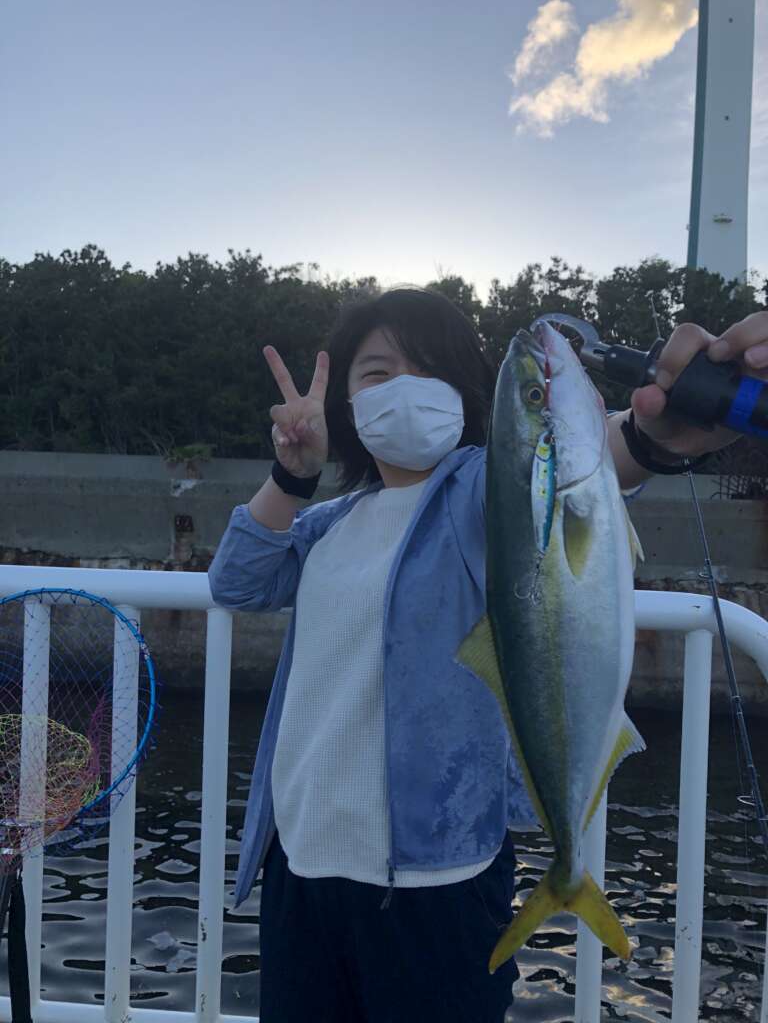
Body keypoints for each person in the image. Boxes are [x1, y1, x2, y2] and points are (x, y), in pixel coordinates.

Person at [208, 290, 768, 1022]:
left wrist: (661, 430)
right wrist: (293, 474)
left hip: (436, 876)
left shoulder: (484, 488)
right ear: (344, 402)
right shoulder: (326, 523)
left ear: (467, 395)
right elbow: (237, 580)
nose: (403, 388)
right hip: (300, 863)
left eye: (429, 369)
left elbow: (596, 456)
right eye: (376, 374)